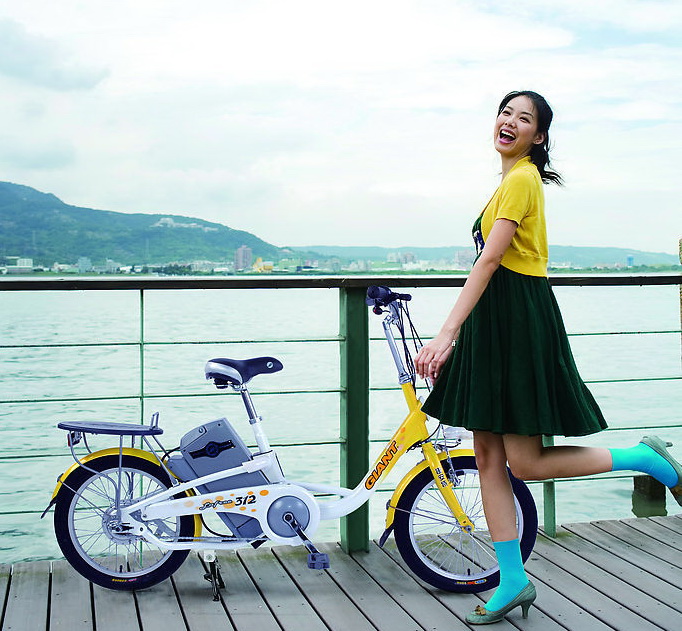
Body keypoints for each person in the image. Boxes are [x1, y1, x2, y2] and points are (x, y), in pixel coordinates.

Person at [414, 90, 682, 625]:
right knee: (487, 457)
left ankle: (645, 459)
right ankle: (513, 580)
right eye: (505, 112)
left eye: (524, 118)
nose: (510, 121)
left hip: (516, 323)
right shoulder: (508, 182)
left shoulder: (522, 179)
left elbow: (491, 259)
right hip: (494, 323)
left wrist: (446, 334)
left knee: (526, 463)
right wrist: (466, 336)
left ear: (538, 136)